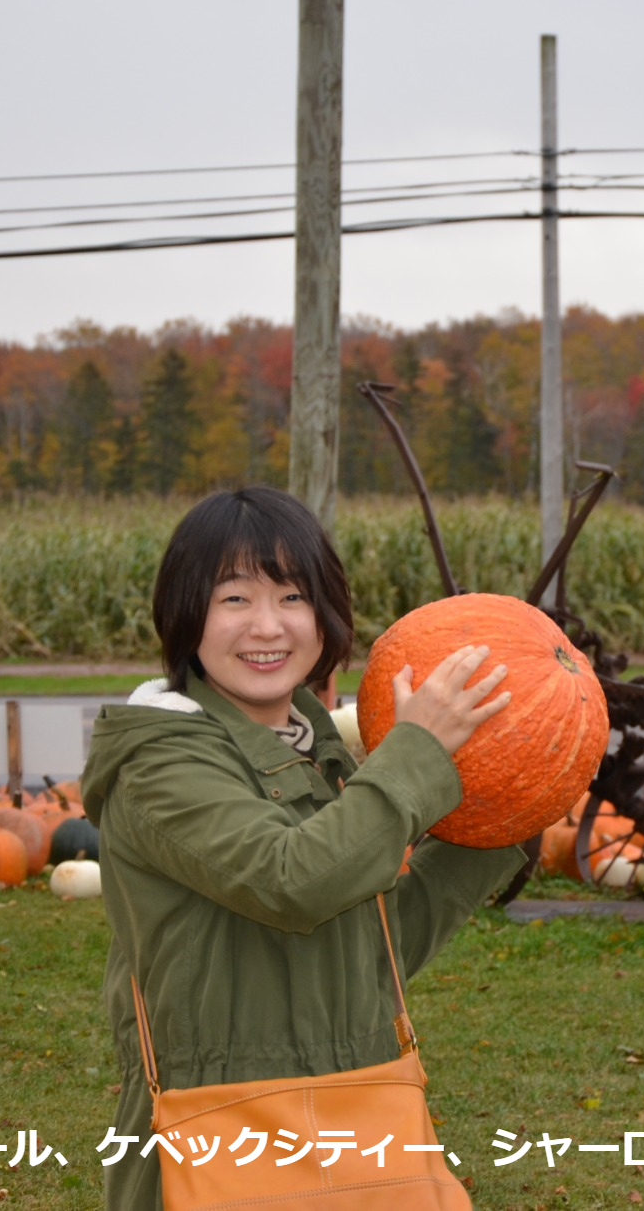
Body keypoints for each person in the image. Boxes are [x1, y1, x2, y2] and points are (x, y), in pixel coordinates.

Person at [80, 485, 528, 1211]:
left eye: (292, 597)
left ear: (326, 616)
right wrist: (416, 752)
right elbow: (294, 882)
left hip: (362, 1116)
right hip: (225, 1134)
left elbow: (372, 944)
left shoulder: (321, 754)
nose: (268, 626)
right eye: (234, 598)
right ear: (184, 613)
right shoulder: (161, 764)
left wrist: (514, 805)